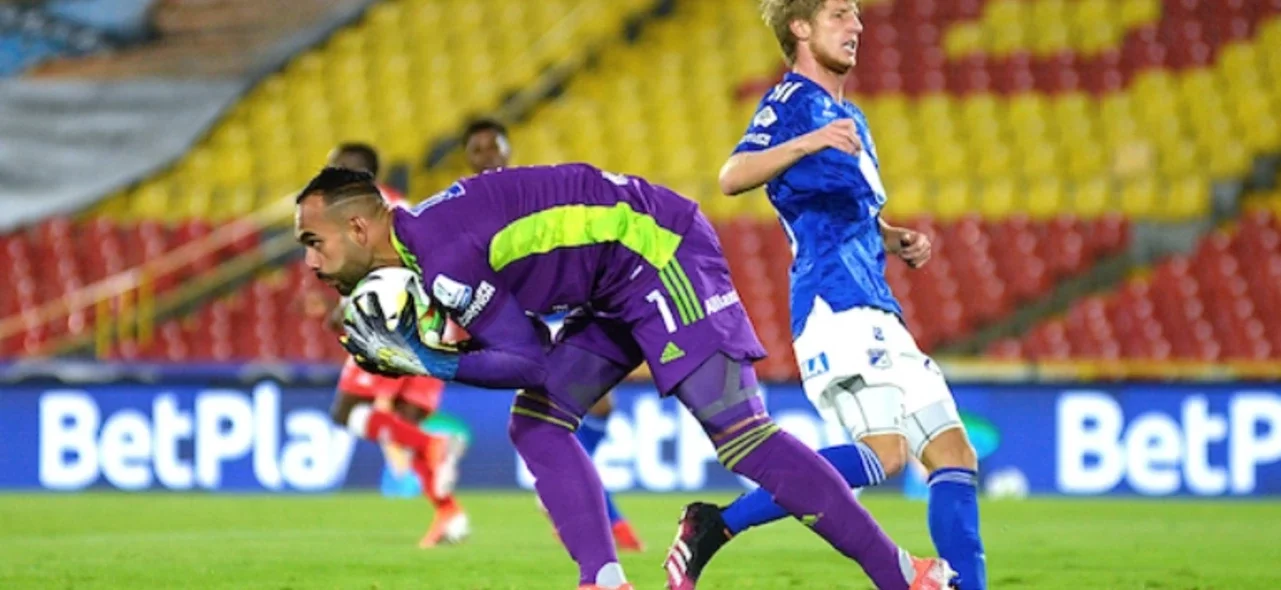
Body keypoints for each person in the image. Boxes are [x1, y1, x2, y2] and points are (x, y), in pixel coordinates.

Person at [295, 164, 954, 590]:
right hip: (610, 279)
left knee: (740, 436)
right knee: (538, 423)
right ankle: (603, 580)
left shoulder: (440, 258)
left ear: (357, 226)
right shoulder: (424, 246)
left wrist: (427, 360)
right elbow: (531, 354)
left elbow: (526, 360)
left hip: (657, 252)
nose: (312, 263)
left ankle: (904, 576)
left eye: (313, 242)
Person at [665, 1, 987, 589]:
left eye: (858, 15)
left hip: (878, 304)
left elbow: (853, 215)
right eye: (841, 14)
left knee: (955, 455)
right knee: (884, 455)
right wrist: (809, 141)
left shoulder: (851, 117)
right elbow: (733, 176)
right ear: (801, 27)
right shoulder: (791, 104)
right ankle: (715, 526)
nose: (857, 26)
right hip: (833, 306)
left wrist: (894, 238)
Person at [461, 118, 643, 551]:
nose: (486, 155)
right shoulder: (466, 206)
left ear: (507, 149)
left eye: (492, 146)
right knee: (562, 410)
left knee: (601, 403)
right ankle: (596, 511)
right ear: (468, 160)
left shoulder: (527, 189)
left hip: (562, 302)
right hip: (518, 320)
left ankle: (564, 493)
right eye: (477, 150)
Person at [317, 143, 468, 548]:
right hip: (433, 322)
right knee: (404, 418)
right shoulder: (403, 206)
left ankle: (433, 445)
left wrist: (346, 307)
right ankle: (448, 514)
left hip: (387, 320)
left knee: (348, 410)